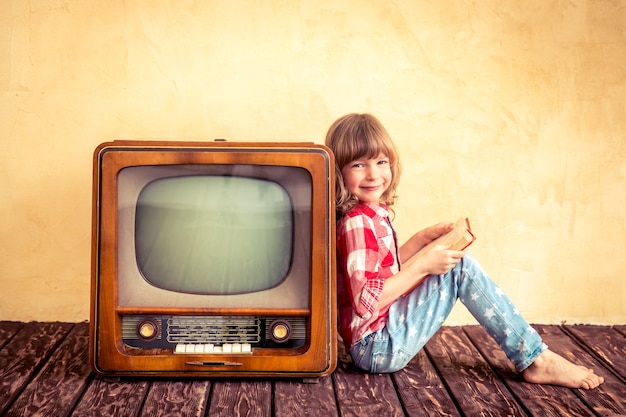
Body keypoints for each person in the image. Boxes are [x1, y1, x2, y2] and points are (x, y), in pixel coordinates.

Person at [325, 112, 604, 389]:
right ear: (339, 172)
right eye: (359, 165)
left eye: (381, 162)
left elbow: (382, 271)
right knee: (459, 268)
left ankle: (534, 355)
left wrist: (421, 241)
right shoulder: (357, 223)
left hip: (378, 339)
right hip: (377, 346)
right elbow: (366, 301)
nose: (373, 174)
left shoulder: (370, 214)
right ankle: (535, 359)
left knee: (453, 261)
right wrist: (423, 265)